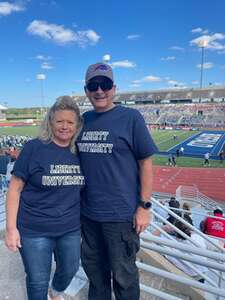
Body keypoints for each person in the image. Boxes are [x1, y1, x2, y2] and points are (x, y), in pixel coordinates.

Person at [77, 62, 157, 300]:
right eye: (94, 85)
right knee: (95, 276)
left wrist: (144, 207)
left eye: (105, 84)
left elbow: (146, 164)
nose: (99, 90)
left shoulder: (130, 117)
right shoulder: (82, 121)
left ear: (114, 88)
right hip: (88, 215)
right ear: (86, 90)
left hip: (120, 217)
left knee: (124, 278)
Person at [5, 96, 84, 300]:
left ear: (77, 126)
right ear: (51, 122)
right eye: (59, 121)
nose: (64, 126)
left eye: (70, 122)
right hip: (34, 229)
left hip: (70, 227)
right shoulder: (34, 148)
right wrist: (11, 229)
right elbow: (14, 189)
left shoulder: (80, 152)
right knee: (37, 281)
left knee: (70, 268)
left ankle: (56, 291)